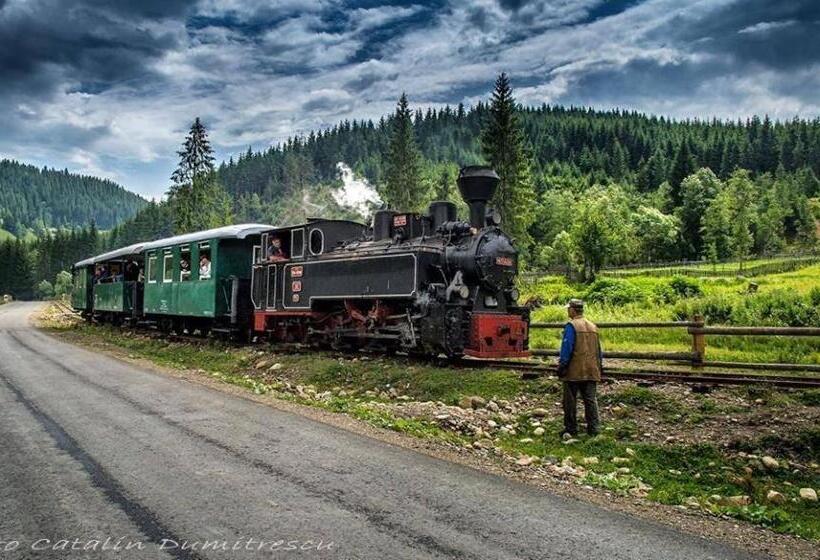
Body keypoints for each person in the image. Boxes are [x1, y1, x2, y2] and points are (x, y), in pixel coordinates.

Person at [557, 298, 603, 438]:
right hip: (591, 369)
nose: (567, 311)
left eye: (568, 309)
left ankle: (571, 428)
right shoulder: (593, 326)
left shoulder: (571, 326)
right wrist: (599, 367)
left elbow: (567, 348)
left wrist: (562, 366)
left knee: (570, 401)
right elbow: (598, 351)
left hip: (574, 370)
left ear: (572, 310)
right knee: (590, 400)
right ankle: (594, 429)